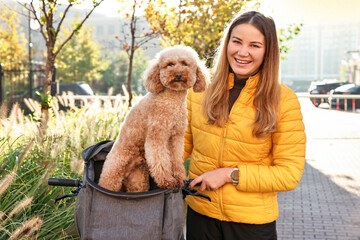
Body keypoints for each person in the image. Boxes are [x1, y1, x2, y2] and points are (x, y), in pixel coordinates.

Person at [184, 11, 306, 240]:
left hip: (252, 226)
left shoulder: (284, 100)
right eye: (237, 42)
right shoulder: (200, 88)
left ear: (268, 51)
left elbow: (289, 174)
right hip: (201, 217)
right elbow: (180, 146)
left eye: (255, 45)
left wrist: (229, 174)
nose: (242, 52)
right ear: (227, 43)